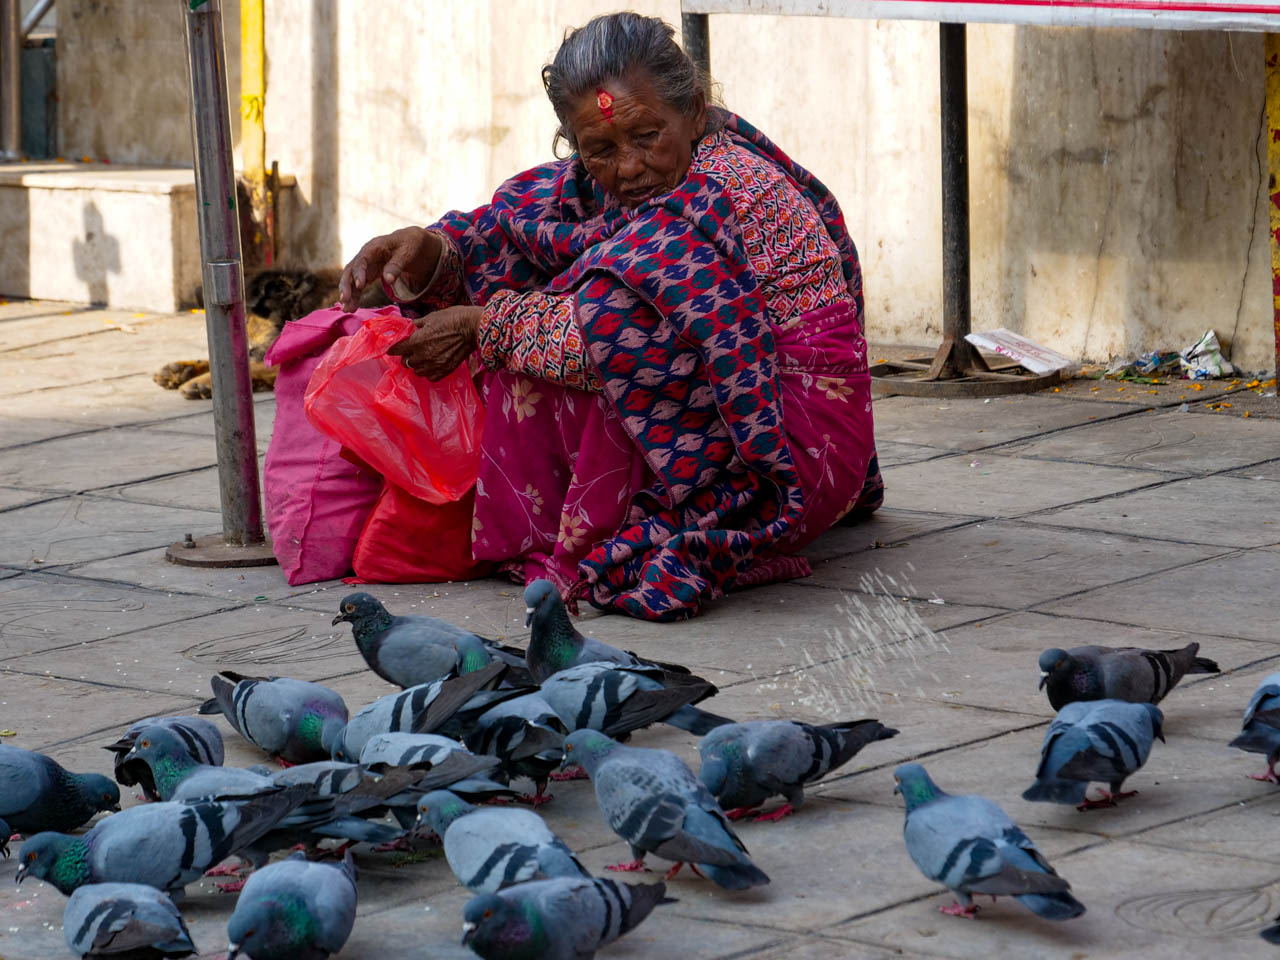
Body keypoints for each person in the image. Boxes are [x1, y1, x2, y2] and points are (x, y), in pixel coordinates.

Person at [336, 12, 882, 622]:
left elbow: (616, 340)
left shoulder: (724, 191)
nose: (626, 168)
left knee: (537, 364)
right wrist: (430, 251)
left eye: (647, 137)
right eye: (599, 150)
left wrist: (479, 326)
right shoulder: (627, 181)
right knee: (534, 312)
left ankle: (578, 526)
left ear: (694, 112)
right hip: (764, 430)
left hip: (789, 455)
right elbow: (518, 231)